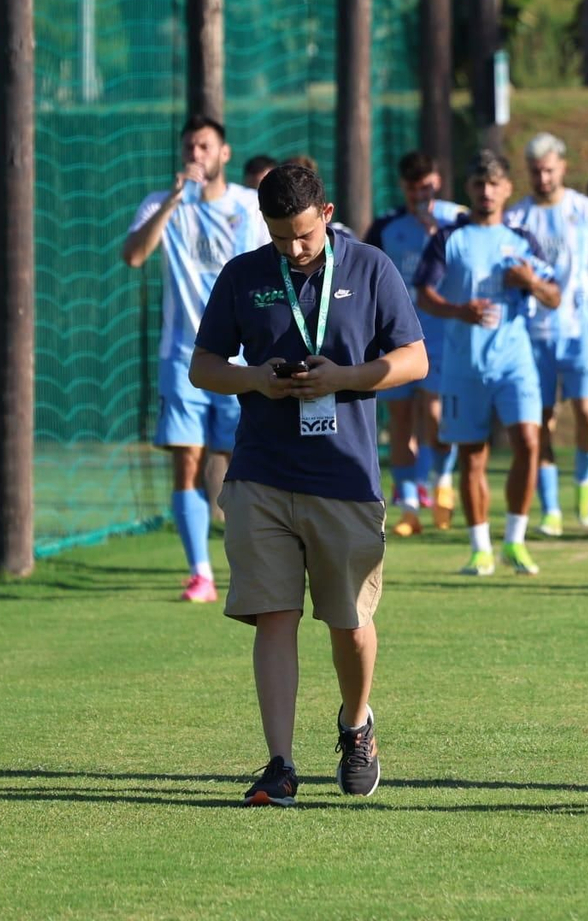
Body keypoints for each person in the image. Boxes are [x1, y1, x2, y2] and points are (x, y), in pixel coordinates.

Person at [189, 162, 429, 806]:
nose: (293, 249)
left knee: (349, 623)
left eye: (302, 235)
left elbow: (414, 358)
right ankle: (280, 764)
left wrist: (343, 378)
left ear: (325, 214)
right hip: (260, 474)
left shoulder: (371, 267)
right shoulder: (243, 275)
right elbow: (204, 366)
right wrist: (257, 379)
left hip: (343, 477)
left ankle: (357, 724)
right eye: (279, 236)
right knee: (275, 615)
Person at [122, 115, 265, 603]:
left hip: (244, 358)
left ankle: (251, 561)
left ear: (224, 153)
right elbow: (134, 256)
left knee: (243, 463)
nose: (196, 154)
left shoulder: (250, 206)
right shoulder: (162, 204)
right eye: (189, 146)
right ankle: (200, 572)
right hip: (182, 356)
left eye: (205, 146)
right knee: (186, 461)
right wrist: (172, 201)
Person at [415, 151, 562, 576]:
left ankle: (515, 541)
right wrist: (459, 311)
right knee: (472, 455)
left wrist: (531, 282)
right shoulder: (448, 239)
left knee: (529, 444)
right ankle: (480, 547)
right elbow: (424, 293)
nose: (486, 191)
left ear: (508, 189)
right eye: (479, 183)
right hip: (465, 363)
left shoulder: (521, 241)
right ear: (469, 189)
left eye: (494, 183)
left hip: (515, 361)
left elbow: (554, 296)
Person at [506, 133, 588, 535]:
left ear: (563, 167)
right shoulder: (516, 218)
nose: (543, 177)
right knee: (540, 424)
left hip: (579, 334)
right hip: (531, 337)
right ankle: (551, 507)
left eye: (549, 170)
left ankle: (586, 479)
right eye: (536, 171)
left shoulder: (587, 211)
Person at [363, 151, 465, 536]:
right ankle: (408, 508)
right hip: (395, 338)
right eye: (411, 188)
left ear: (436, 182)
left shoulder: (457, 219)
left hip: (443, 337)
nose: (419, 195)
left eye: (426, 186)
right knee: (402, 421)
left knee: (437, 418)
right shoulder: (388, 226)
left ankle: (442, 482)